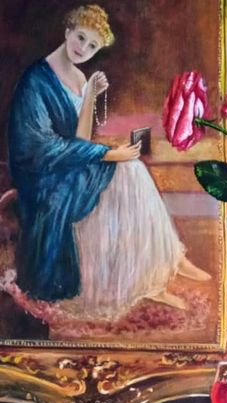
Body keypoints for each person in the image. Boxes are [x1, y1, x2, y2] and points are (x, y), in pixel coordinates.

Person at [8, 4, 209, 320]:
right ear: (68, 31)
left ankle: (163, 263)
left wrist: (90, 96)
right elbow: (40, 148)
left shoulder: (78, 76)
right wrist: (107, 154)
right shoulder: (35, 80)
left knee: (132, 169)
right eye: (81, 37)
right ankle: (163, 264)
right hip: (44, 177)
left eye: (92, 46)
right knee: (128, 168)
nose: (83, 48)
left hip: (69, 165)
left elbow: (81, 139)